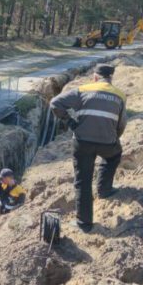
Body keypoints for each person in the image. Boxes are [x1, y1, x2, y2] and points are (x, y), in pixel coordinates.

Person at [50, 64, 127, 232]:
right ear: (110, 78)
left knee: (83, 181)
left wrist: (70, 122)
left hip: (82, 142)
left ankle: (84, 224)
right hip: (108, 143)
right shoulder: (120, 95)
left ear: (95, 77)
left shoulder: (83, 90)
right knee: (113, 156)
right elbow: (121, 124)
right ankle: (104, 189)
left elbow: (55, 103)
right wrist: (114, 138)